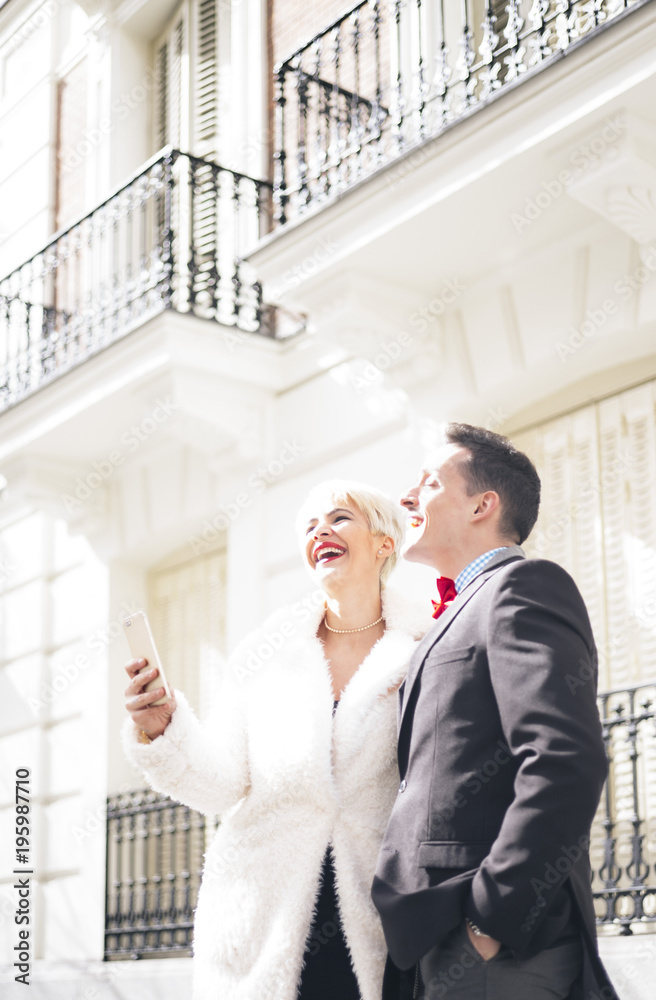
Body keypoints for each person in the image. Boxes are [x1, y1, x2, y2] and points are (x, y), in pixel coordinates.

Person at [121, 480, 431, 1000]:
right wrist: (162, 727)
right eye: (309, 526)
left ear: (384, 543)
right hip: (263, 921)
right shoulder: (265, 652)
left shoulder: (425, 646)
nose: (320, 532)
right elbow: (219, 783)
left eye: (339, 518)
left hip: (381, 922)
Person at [372, 423, 619, 1000]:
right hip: (435, 938)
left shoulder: (522, 586)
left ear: (484, 504)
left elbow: (565, 760)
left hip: (496, 948)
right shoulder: (452, 614)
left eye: (429, 483)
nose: (407, 498)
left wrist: (490, 918)